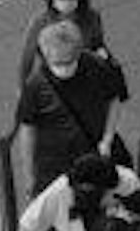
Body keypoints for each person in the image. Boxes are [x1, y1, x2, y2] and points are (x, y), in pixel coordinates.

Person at [10, 15, 128, 196]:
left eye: (69, 62)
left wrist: (108, 137)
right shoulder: (35, 86)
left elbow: (114, 98)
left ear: (79, 52)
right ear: (46, 57)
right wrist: (29, 174)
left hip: (96, 149)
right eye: (57, 64)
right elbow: (27, 129)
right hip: (56, 161)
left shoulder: (96, 66)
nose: (64, 68)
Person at [14, 0, 108, 86]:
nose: (66, 3)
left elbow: (98, 44)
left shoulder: (91, 17)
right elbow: (26, 61)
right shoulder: (40, 22)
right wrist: (23, 93)